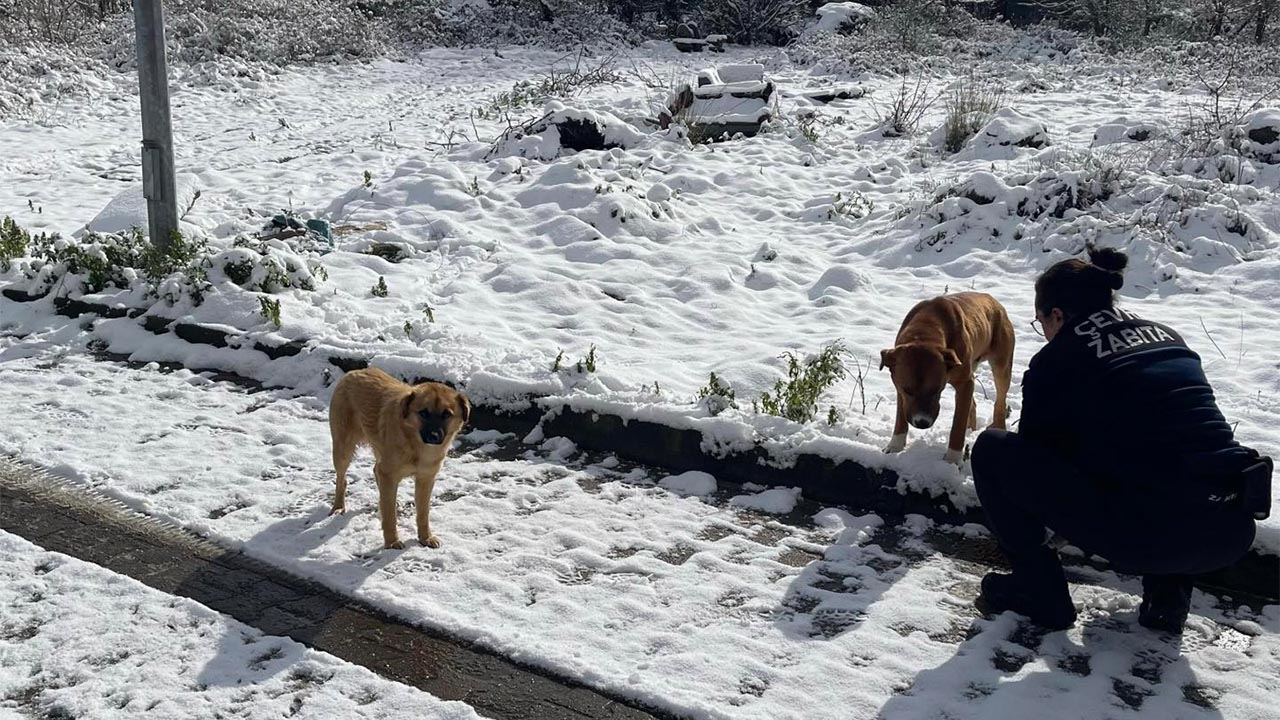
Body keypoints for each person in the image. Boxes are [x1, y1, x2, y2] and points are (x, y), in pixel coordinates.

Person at [970, 246, 1272, 632]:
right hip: (1230, 530)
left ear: (1057, 315)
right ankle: (1167, 602)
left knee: (994, 450)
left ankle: (1039, 593)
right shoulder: (1167, 336)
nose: (1043, 332)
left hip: (1150, 537)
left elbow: (1035, 465)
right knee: (1166, 455)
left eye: (1040, 322)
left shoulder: (1058, 360)